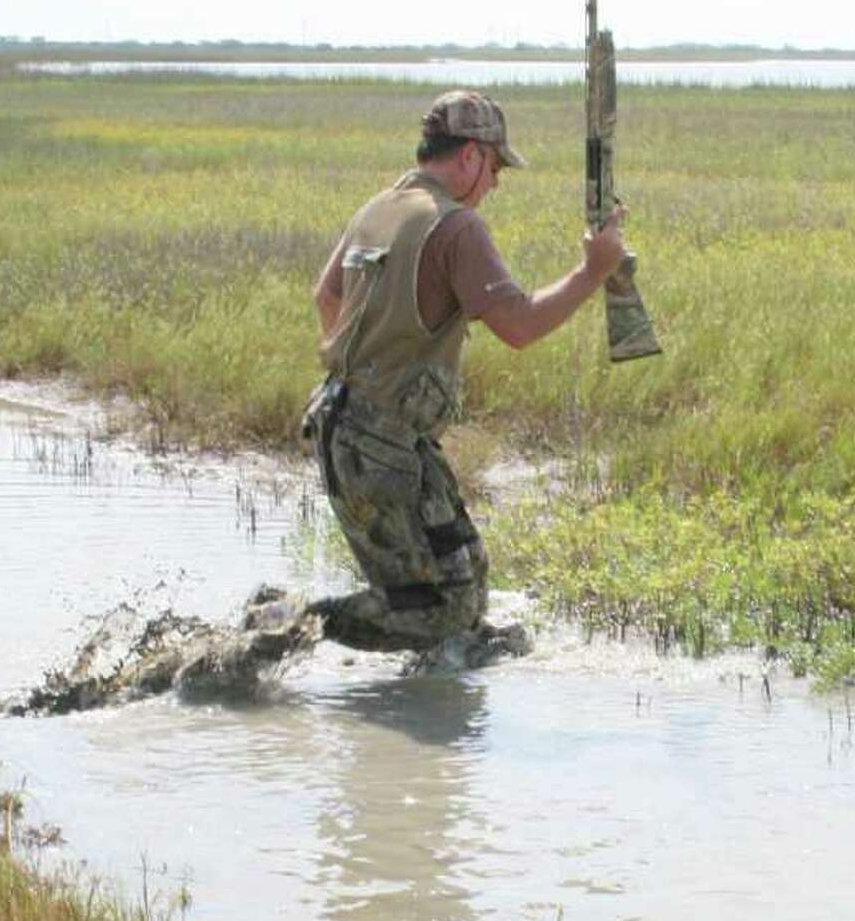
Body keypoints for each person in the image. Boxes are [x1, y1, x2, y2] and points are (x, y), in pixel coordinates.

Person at [269, 90, 627, 661]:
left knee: (468, 573)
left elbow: (326, 296)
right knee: (438, 609)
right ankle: (291, 624)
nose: (496, 183)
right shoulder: (457, 226)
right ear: (469, 156)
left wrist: (369, 370)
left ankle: (446, 676)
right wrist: (593, 271)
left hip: (354, 425)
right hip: (379, 443)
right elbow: (519, 326)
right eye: (495, 166)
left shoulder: (380, 206)